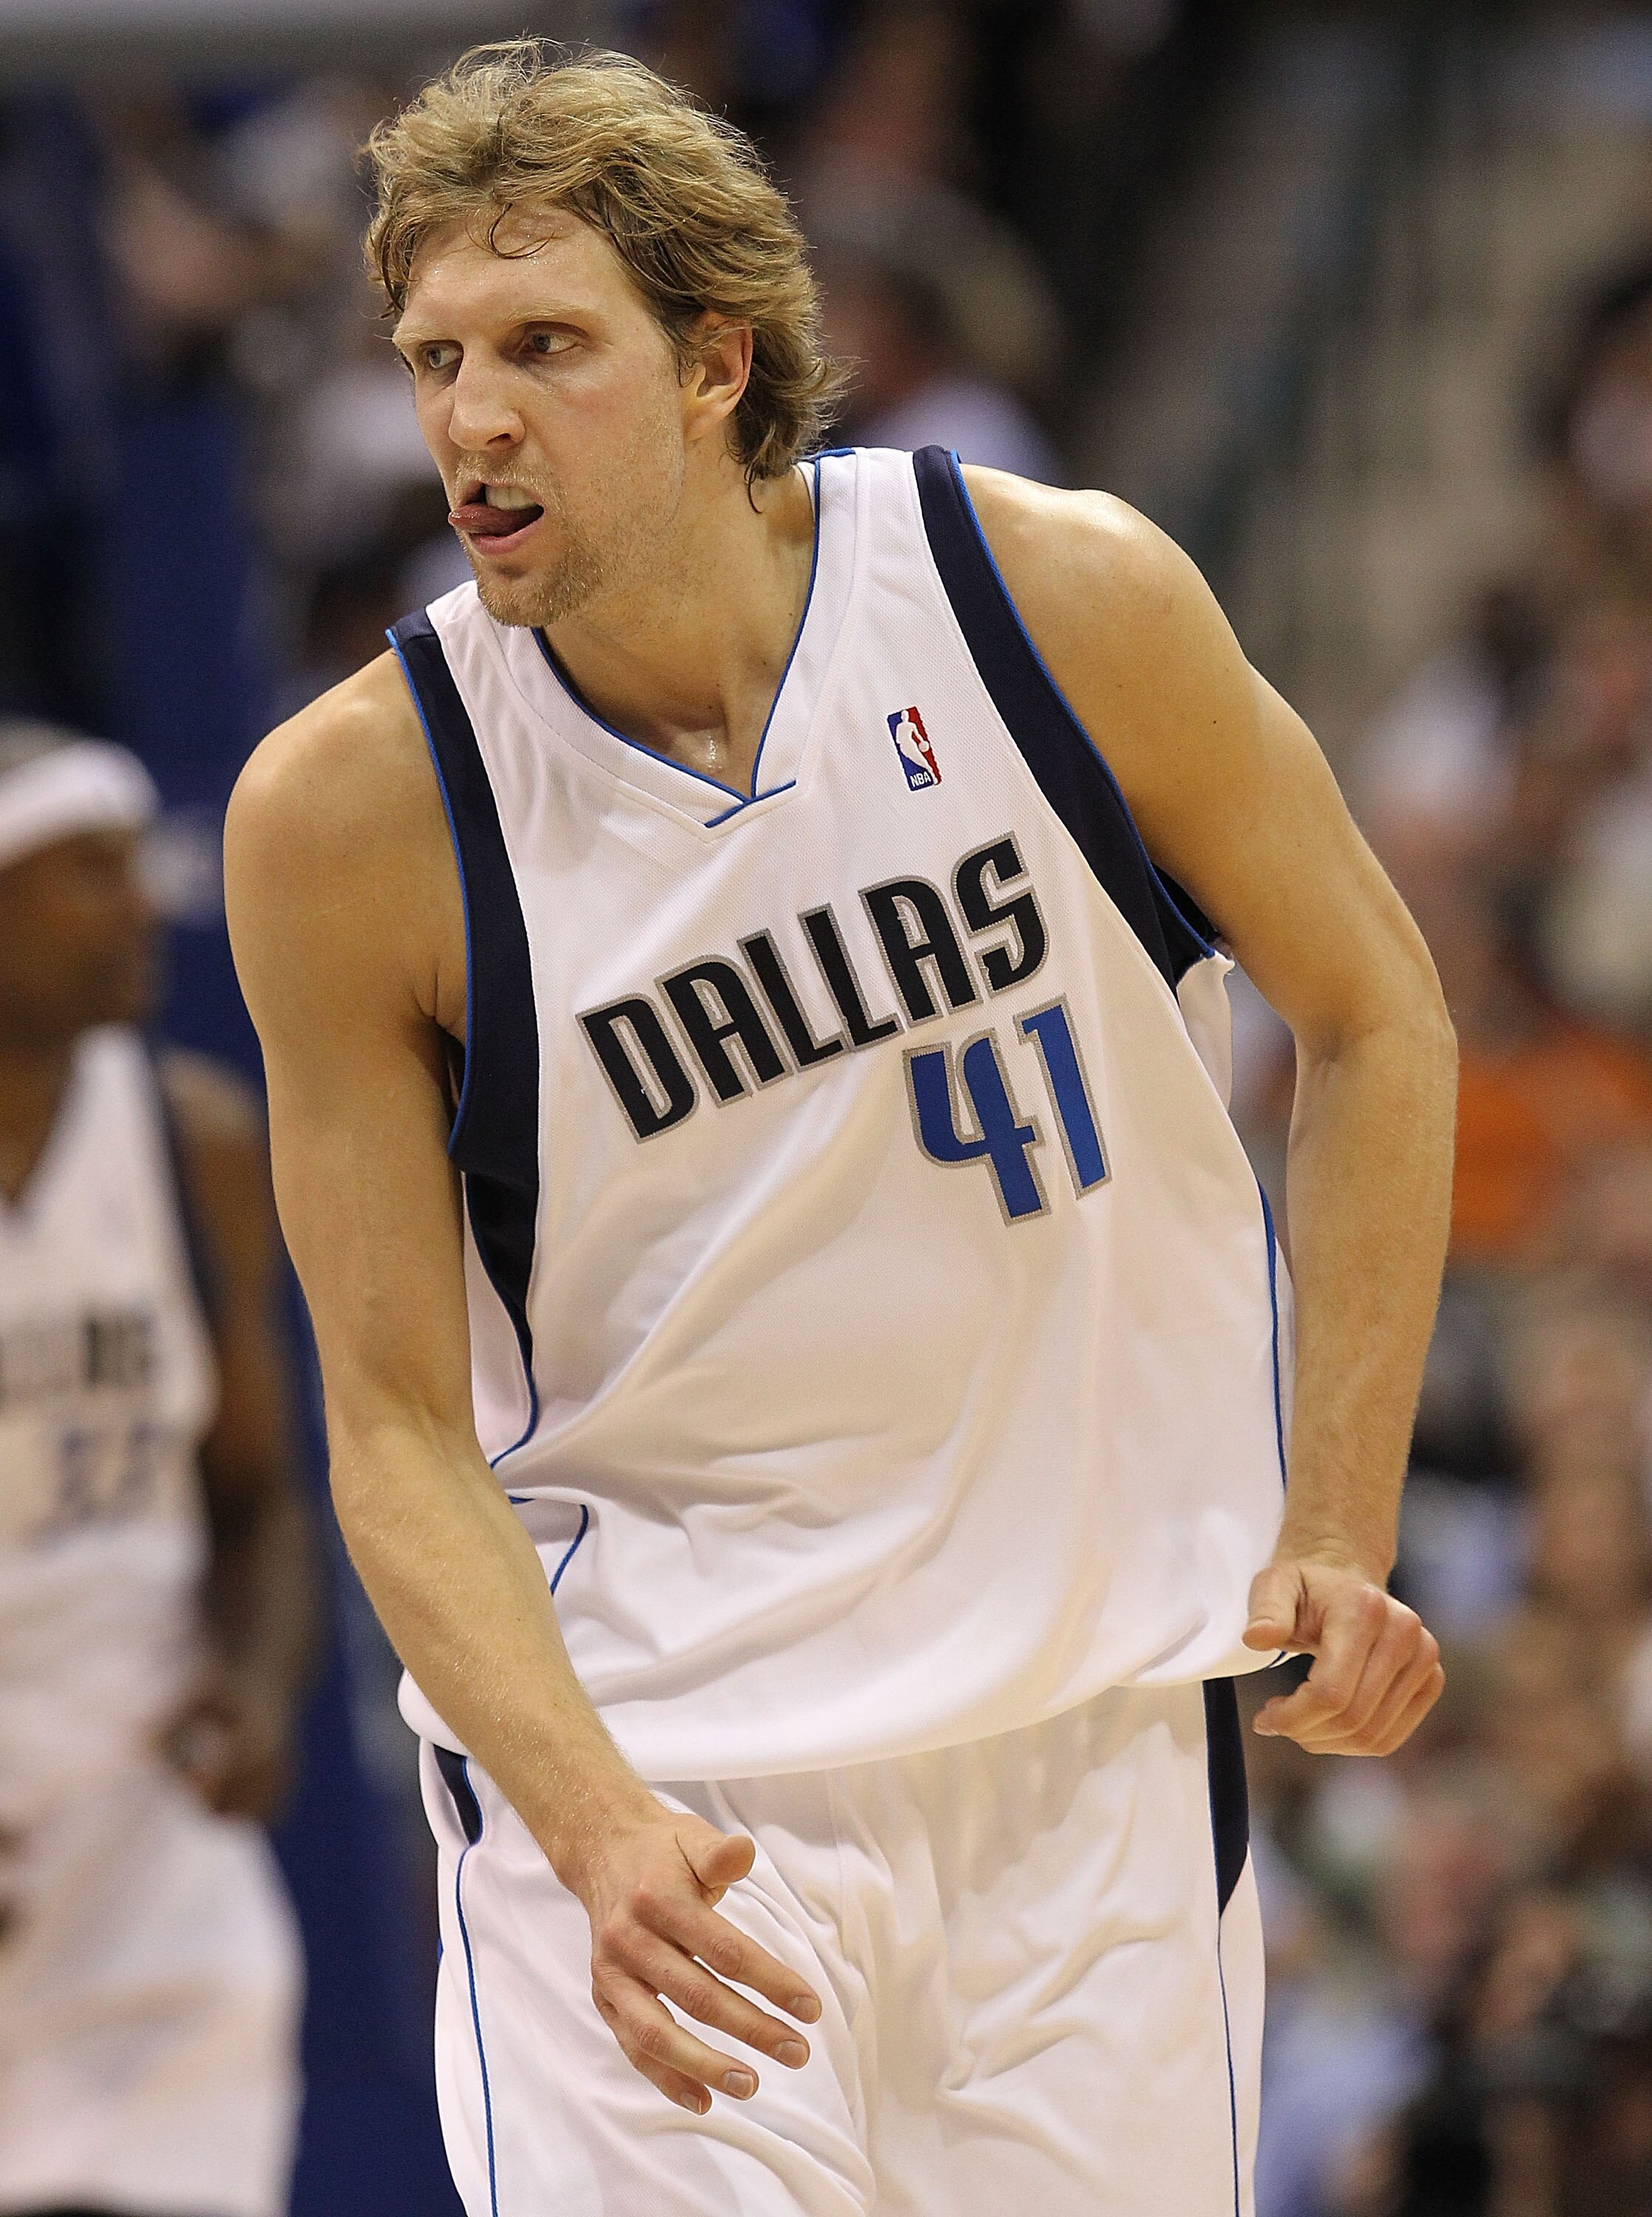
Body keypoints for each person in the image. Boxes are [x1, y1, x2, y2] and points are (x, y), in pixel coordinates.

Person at [223, 43, 1455, 2217]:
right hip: (666, 1796)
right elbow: (395, 1427)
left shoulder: (1048, 602)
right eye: (432, 358)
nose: (470, 419)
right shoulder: (352, 816)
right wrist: (586, 1821)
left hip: (1089, 1756)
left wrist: (1337, 1522)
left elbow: (1372, 1013)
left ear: (717, 362)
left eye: (542, 348)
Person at [0, 723, 314, 2217]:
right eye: (88, 874)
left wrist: (253, 1687)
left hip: (147, 1855)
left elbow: (256, 1499)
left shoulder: (193, 1145)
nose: (143, 904)